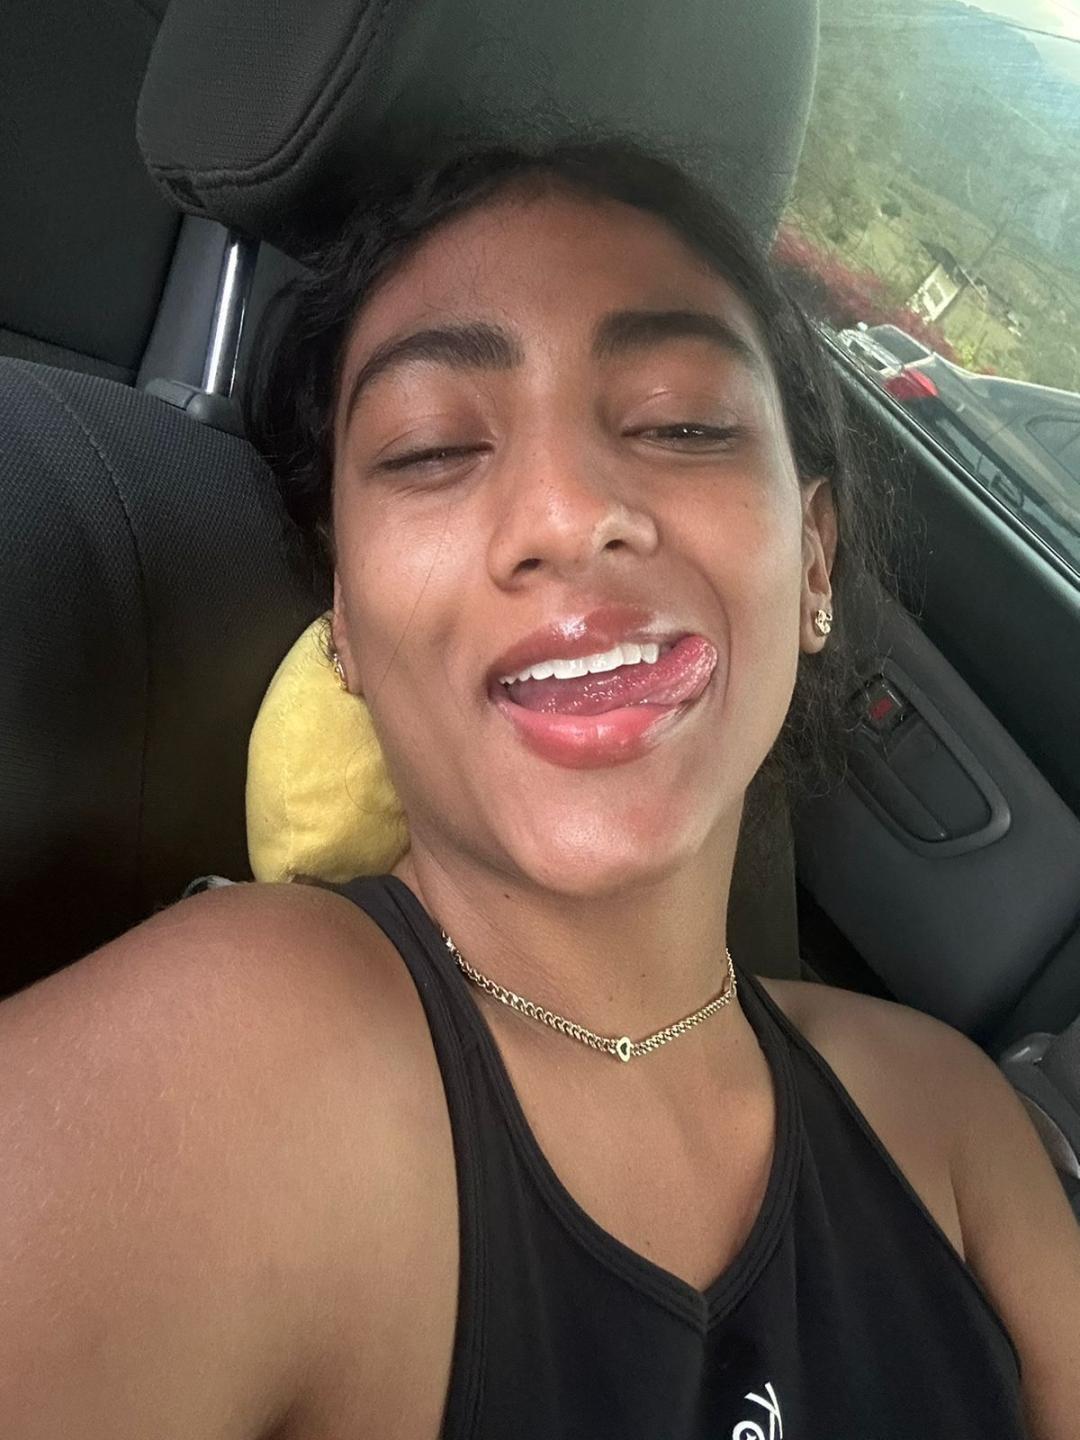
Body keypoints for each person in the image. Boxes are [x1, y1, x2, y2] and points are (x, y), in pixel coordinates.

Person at [1, 140, 1077, 1440]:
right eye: (430, 448)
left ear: (814, 560)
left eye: (681, 421)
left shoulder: (945, 1120)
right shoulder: (233, 1074)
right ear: (345, 619)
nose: (568, 512)